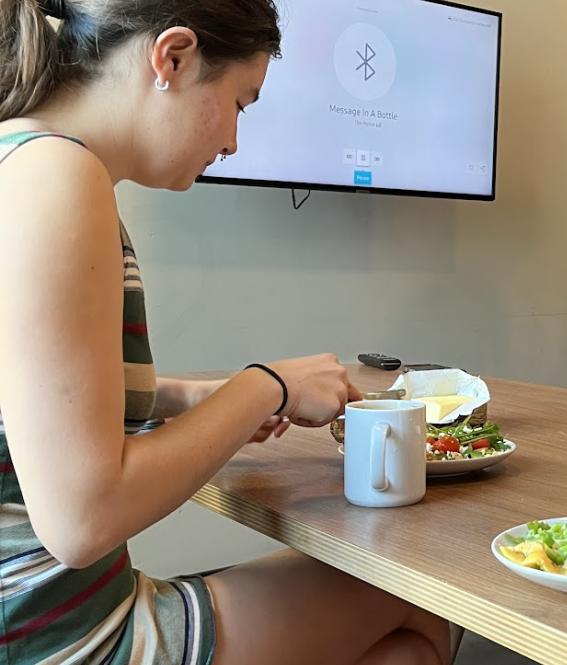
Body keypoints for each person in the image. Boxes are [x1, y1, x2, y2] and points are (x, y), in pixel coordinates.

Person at [0, 1, 450, 663]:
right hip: (66, 641)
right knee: (424, 597)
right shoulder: (57, 177)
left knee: (409, 640)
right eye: (242, 101)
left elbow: (45, 398)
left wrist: (194, 397)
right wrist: (263, 387)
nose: (235, 140)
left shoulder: (22, 156)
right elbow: (81, 520)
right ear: (173, 57)